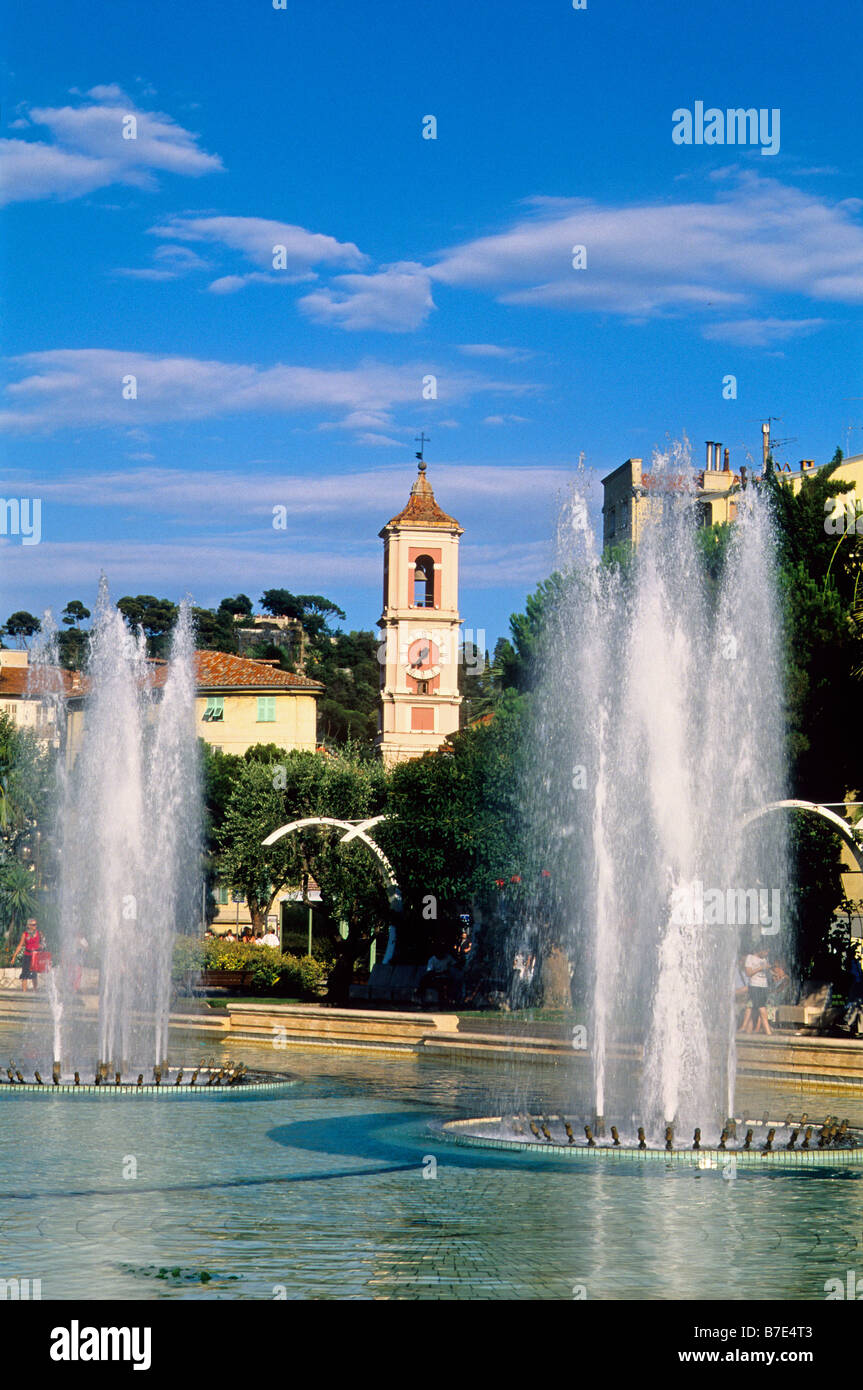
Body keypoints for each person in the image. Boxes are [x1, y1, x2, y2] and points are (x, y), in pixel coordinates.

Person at [742, 947, 771, 1035]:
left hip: (764, 986)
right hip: (755, 986)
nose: (766, 954)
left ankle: (747, 1031)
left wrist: (771, 971)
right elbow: (748, 973)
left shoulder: (764, 959)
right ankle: (768, 1032)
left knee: (752, 1008)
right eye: (765, 952)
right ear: (760, 949)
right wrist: (761, 968)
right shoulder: (750, 958)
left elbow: (765, 972)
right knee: (762, 1008)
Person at [11, 919, 42, 993]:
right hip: (27, 955)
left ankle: (35, 991)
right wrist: (14, 957)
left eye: (36, 924)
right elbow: (20, 945)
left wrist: (41, 947)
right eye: (33, 925)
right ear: (29, 926)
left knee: (34, 974)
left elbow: (43, 943)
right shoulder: (25, 934)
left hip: (35, 956)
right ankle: (24, 992)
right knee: (24, 974)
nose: (35, 926)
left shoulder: (39, 933)